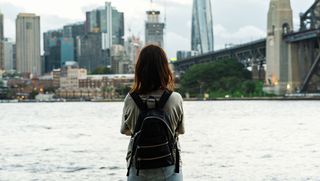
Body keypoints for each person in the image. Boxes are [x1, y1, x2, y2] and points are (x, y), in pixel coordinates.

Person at [121, 44, 185, 181]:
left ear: (139, 69)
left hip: (138, 166)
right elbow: (181, 130)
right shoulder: (175, 98)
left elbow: (124, 130)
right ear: (165, 68)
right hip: (170, 166)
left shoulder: (130, 99)